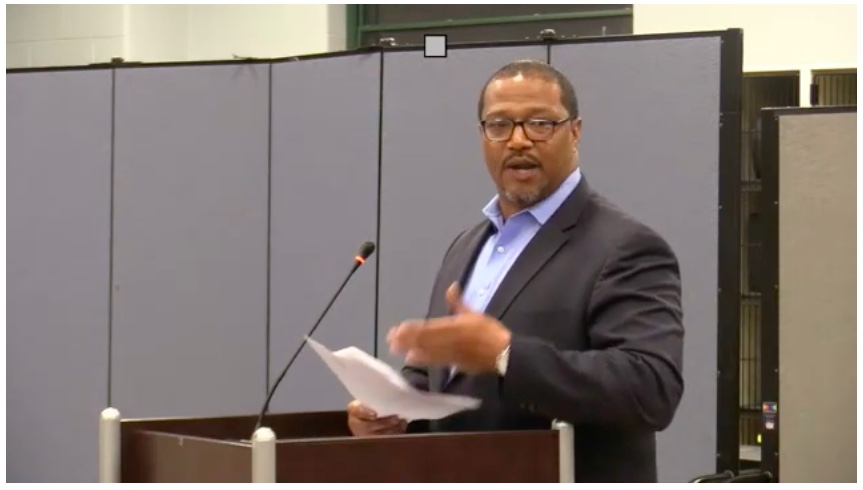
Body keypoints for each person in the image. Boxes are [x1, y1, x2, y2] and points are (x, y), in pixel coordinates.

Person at [346, 60, 685, 483]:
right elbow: (449, 379)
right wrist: (395, 408)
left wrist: (506, 355)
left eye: (540, 123)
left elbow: (650, 388)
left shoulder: (625, 247)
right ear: (482, 136)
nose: (519, 141)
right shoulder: (467, 245)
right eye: (500, 125)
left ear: (575, 132)